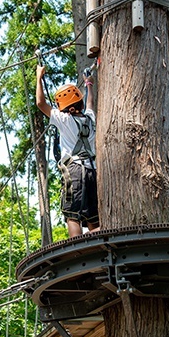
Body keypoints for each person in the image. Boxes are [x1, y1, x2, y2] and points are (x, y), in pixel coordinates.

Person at [36, 65, 99, 238]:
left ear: (65, 107)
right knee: (94, 216)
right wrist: (89, 84)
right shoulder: (90, 119)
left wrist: (39, 78)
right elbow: (91, 103)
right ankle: (99, 241)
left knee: (72, 216)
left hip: (75, 171)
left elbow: (40, 103)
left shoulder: (63, 119)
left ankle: (77, 249)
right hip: (94, 170)